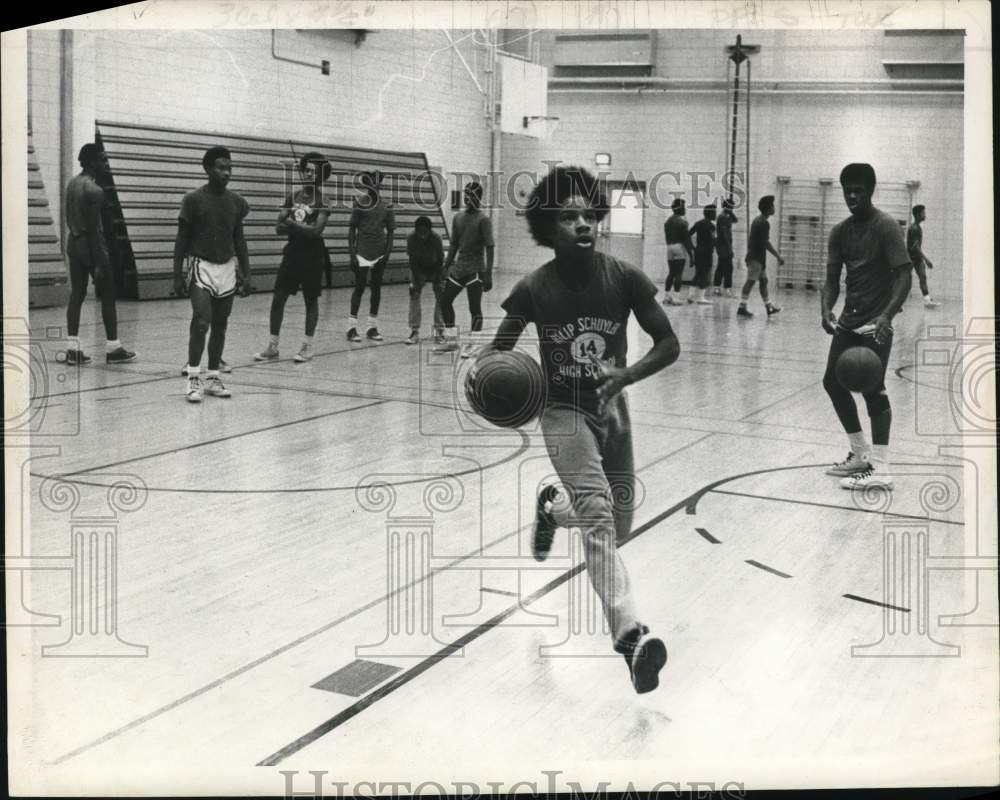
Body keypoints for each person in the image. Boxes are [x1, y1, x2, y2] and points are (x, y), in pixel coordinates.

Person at [489, 166, 680, 694]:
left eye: (587, 214)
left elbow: (669, 344)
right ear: (548, 229)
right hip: (562, 414)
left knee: (618, 529)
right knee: (599, 520)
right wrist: (497, 386)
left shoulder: (624, 277)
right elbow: (495, 355)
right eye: (567, 216)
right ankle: (632, 638)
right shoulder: (533, 288)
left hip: (613, 410)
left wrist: (627, 374)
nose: (581, 223)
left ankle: (553, 509)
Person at [822, 163, 912, 490]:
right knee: (832, 382)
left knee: (873, 389)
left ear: (870, 191)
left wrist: (887, 315)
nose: (853, 196)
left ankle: (883, 468)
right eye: (848, 191)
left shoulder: (886, 227)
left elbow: (905, 274)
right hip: (848, 321)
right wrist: (825, 309)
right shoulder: (839, 232)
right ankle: (860, 454)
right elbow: (832, 280)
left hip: (875, 324)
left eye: (859, 190)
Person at [173, 145, 252, 403]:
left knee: (220, 324)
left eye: (229, 168)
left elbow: (240, 240)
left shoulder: (237, 202)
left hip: (227, 267)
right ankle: (193, 377)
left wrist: (246, 273)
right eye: (221, 167)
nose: (226, 172)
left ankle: (213, 376)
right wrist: (176, 274)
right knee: (201, 321)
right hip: (201, 266)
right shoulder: (193, 200)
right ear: (207, 169)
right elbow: (181, 241)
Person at [62, 143, 136, 365]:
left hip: (73, 242)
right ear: (92, 161)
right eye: (102, 160)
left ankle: (72, 348)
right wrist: (100, 262)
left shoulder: (72, 184)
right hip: (90, 244)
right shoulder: (95, 190)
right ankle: (113, 348)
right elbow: (95, 230)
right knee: (109, 293)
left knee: (77, 294)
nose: (106, 164)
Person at [254, 152, 331, 363]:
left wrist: (290, 224)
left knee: (310, 300)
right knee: (278, 297)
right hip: (293, 251)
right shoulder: (293, 196)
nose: (308, 174)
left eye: (313, 172)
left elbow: (316, 232)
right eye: (306, 169)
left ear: (320, 176)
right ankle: (272, 345)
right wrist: (295, 226)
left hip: (313, 254)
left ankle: (307, 346)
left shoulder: (323, 200)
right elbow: (277, 228)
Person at [434, 181, 494, 358]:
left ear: (479, 197)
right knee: (445, 301)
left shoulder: (483, 220)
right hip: (459, 268)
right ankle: (452, 342)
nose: (468, 198)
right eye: (466, 194)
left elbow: (490, 247)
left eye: (472, 194)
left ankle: (473, 344)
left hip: (476, 269)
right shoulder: (458, 218)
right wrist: (446, 266)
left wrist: (488, 274)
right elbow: (453, 245)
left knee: (474, 307)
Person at [347, 170, 394, 343]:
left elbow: (390, 232)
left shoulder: (387, 206)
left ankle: (372, 327)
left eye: (376, 182)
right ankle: (351, 327)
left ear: (379, 184)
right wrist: (352, 254)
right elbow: (352, 229)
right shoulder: (359, 204)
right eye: (369, 182)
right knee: (359, 287)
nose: (373, 185)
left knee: (376, 288)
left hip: (379, 252)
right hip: (362, 252)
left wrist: (387, 253)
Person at [737, 195, 784, 319]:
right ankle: (742, 307)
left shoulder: (759, 220)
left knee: (763, 281)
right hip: (755, 257)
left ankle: (768, 307)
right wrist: (778, 256)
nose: (774, 208)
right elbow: (765, 243)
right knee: (751, 281)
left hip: (758, 257)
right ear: (768, 208)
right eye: (772, 206)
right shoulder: (763, 222)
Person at [405, 215, 445, 345]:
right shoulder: (411, 238)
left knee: (441, 296)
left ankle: (439, 331)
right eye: (419, 232)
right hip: (419, 268)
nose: (422, 235)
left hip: (435, 267)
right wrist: (415, 282)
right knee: (414, 295)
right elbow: (412, 261)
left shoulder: (436, 238)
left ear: (429, 231)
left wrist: (437, 278)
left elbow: (440, 260)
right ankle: (414, 331)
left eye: (424, 232)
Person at [907, 205, 940, 308]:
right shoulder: (913, 228)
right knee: (904, 280)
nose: (925, 215)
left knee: (923, 277)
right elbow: (916, 247)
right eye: (923, 213)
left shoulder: (918, 227)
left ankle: (927, 300)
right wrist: (926, 259)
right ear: (917, 215)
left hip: (917, 258)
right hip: (909, 258)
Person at [662, 198, 694, 306]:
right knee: (679, 273)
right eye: (684, 207)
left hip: (669, 247)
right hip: (679, 247)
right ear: (680, 208)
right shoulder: (682, 222)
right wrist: (691, 255)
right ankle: (676, 297)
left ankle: (667, 296)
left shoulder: (668, 221)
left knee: (671, 273)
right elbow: (686, 240)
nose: (685, 209)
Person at [687, 203, 717, 305]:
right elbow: (713, 240)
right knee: (705, 274)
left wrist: (692, 246)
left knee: (698, 273)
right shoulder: (711, 226)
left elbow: (688, 234)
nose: (715, 214)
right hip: (707, 253)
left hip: (698, 251)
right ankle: (701, 297)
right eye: (714, 213)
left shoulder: (698, 223)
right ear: (710, 214)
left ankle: (690, 296)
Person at [712, 199, 737, 296]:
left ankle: (717, 287)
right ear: (727, 207)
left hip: (724, 245)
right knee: (728, 267)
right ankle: (727, 288)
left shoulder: (727, 216)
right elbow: (724, 235)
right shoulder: (722, 217)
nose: (732, 209)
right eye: (731, 207)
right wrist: (729, 248)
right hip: (723, 245)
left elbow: (735, 220)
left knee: (721, 267)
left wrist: (730, 212)